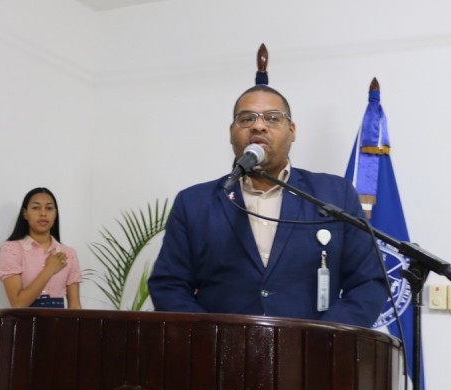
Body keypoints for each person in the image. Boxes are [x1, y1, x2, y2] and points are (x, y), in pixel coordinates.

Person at [148, 47, 388, 327]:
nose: (258, 126)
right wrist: (212, 338)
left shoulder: (334, 194)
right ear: (231, 132)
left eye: (273, 118)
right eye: (246, 119)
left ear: (292, 130)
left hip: (314, 349)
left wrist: (325, 337)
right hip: (220, 350)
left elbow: (368, 282)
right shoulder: (195, 203)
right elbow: (169, 285)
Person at [0, 187, 82, 309]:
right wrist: (49, 269)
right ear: (25, 213)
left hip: (60, 321)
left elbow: (75, 306)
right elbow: (18, 303)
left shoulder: (68, 253)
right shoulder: (11, 249)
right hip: (25, 320)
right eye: (36, 208)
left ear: (55, 213)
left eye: (49, 208)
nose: (43, 213)